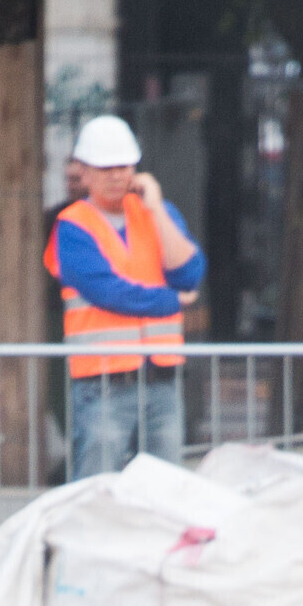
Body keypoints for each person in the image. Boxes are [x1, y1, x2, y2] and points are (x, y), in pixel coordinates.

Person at [44, 114, 203, 482]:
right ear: (84, 172)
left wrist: (156, 208)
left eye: (123, 166)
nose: (116, 175)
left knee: (164, 487)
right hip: (102, 384)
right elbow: (108, 292)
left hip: (162, 380)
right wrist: (173, 301)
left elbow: (189, 273)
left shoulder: (158, 214)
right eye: (105, 168)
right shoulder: (72, 225)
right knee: (97, 488)